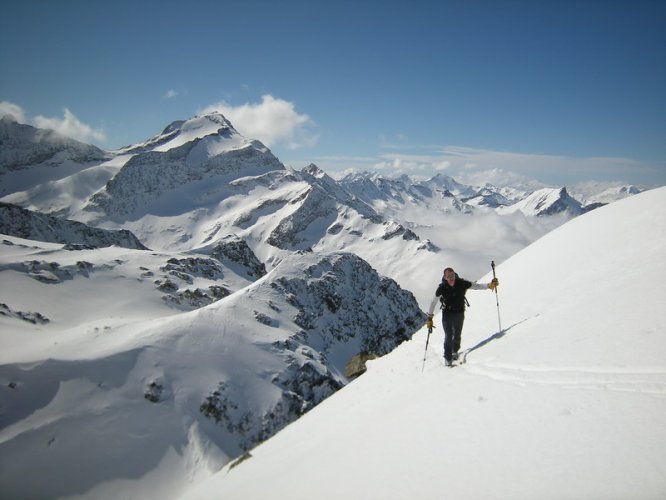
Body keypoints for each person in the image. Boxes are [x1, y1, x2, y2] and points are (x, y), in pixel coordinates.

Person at [426, 267, 498, 366]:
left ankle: (454, 351)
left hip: (459, 312)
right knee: (448, 335)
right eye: (448, 277)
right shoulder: (442, 288)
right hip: (447, 313)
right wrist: (430, 317)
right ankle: (447, 358)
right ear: (445, 278)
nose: (451, 278)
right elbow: (433, 301)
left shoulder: (461, 283)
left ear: (454, 275)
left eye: (452, 276)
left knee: (457, 334)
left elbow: (476, 286)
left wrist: (489, 285)